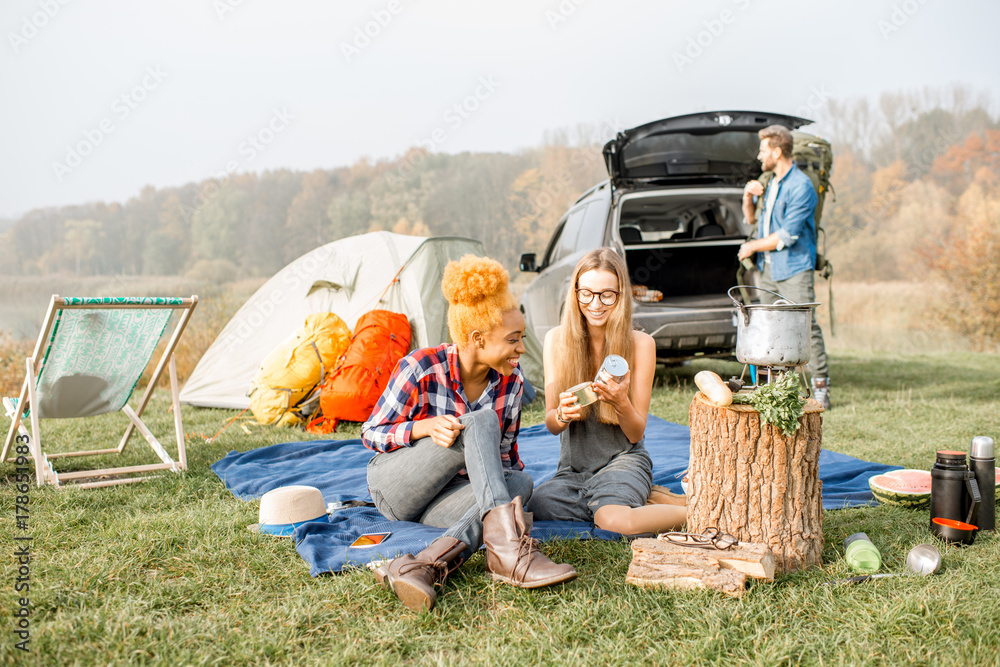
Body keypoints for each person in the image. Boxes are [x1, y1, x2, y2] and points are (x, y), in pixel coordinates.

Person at [362, 255, 577, 612]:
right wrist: (424, 428)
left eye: (522, 338)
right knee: (480, 421)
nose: (522, 349)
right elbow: (371, 433)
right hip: (396, 489)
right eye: (513, 340)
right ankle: (508, 553)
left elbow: (505, 460)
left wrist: (513, 492)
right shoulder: (421, 367)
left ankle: (424, 565)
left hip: (448, 501)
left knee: (520, 485)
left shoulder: (513, 383)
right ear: (477, 338)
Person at [526, 249, 686, 536]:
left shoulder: (641, 344)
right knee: (532, 506)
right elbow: (551, 424)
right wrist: (562, 414)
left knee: (614, 521)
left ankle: (701, 512)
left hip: (622, 460)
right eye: (586, 293)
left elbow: (636, 434)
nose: (595, 304)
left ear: (621, 295)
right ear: (575, 293)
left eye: (606, 295)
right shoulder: (556, 340)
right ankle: (639, 501)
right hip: (573, 470)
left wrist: (621, 402)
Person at [738, 124, 831, 409]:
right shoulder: (771, 182)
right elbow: (752, 221)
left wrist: (752, 247)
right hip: (769, 269)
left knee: (805, 327)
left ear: (777, 151)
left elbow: (787, 236)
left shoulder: (801, 186)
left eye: (763, 150)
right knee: (769, 326)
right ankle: (775, 387)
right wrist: (748, 197)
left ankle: (821, 388)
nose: (759, 156)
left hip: (794, 267)